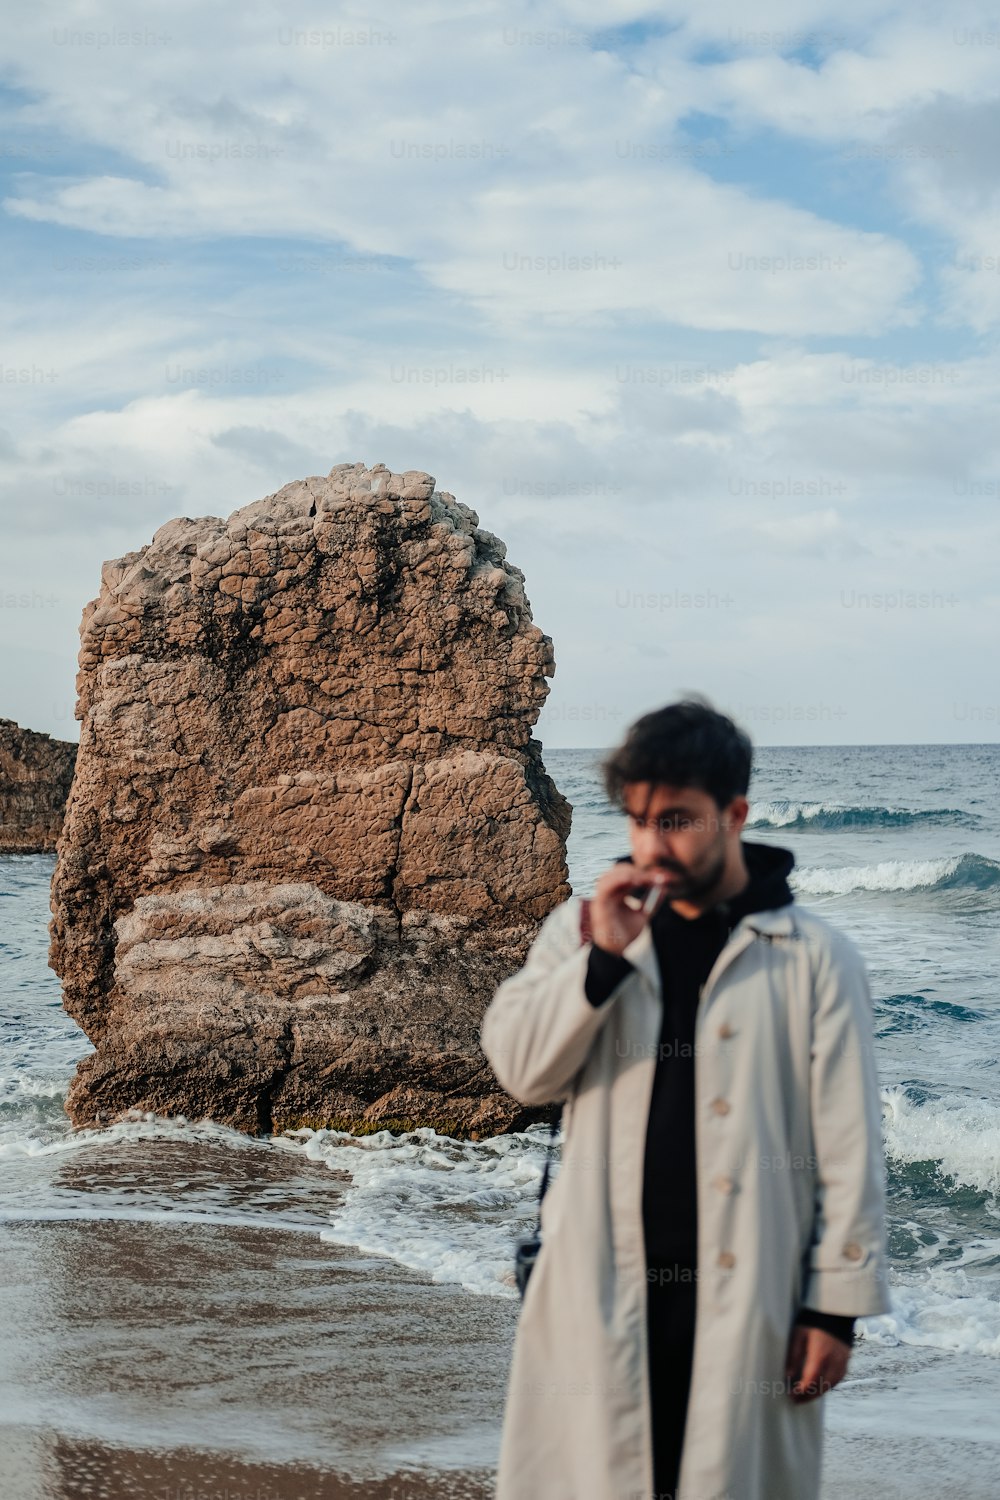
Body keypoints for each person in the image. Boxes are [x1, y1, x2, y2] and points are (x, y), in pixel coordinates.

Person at [479, 699, 891, 1500]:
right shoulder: (585, 930)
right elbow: (522, 1072)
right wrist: (602, 965)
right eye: (637, 821)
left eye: (676, 820)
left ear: (734, 814)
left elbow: (848, 1149)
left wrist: (834, 1311)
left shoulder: (815, 959)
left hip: (750, 1299)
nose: (650, 845)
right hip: (601, 1282)